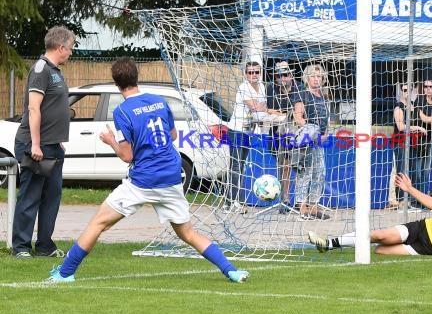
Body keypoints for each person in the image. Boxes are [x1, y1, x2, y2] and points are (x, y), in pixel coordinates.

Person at [44, 57, 249, 283]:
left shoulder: (123, 111)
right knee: (188, 233)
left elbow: (127, 156)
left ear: (116, 83)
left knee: (98, 223)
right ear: (136, 77)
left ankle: (65, 273)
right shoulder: (159, 101)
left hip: (143, 181)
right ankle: (231, 271)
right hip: (171, 176)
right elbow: (172, 136)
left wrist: (111, 141)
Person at [11, 26, 75, 258]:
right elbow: (33, 108)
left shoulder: (56, 71)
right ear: (60, 47)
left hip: (52, 146)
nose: (71, 52)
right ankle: (21, 247)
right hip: (35, 145)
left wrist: (56, 142)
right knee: (30, 196)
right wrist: (35, 145)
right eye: (70, 48)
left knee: (52, 197)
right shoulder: (41, 69)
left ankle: (45, 246)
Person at [224, 61, 281, 213]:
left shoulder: (262, 87)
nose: (254, 75)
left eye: (256, 72)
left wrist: (272, 111)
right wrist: (267, 109)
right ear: (246, 74)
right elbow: (254, 107)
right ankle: (229, 203)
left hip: (248, 130)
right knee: (236, 166)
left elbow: (262, 109)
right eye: (250, 72)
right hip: (236, 130)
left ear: (260, 73)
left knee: (242, 166)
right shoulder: (243, 88)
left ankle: (236, 202)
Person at [291, 64, 330, 220]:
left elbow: (326, 120)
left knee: (319, 173)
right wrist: (310, 131)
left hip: (319, 141)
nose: (316, 79)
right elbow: (298, 118)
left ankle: (314, 207)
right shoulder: (303, 94)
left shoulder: (324, 97)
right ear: (307, 78)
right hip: (306, 140)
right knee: (305, 173)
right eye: (313, 76)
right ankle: (302, 208)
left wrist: (325, 133)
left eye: (319, 76)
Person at [266, 61, 301, 213]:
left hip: (296, 133)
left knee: (300, 168)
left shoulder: (299, 89)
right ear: (275, 77)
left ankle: (300, 201)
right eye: (279, 75)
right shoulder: (270, 89)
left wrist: (278, 112)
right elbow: (267, 109)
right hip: (276, 133)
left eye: (286, 75)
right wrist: (284, 114)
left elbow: (297, 113)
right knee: (284, 167)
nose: (283, 78)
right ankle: (285, 199)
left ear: (291, 75)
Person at [392, 83, 426, 207]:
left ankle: (412, 200)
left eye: (409, 90)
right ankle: (401, 201)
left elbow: (425, 118)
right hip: (400, 142)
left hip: (413, 142)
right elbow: (400, 127)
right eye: (404, 90)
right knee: (402, 170)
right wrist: (417, 127)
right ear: (401, 91)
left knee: (413, 171)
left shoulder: (413, 106)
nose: (407, 92)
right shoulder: (398, 107)